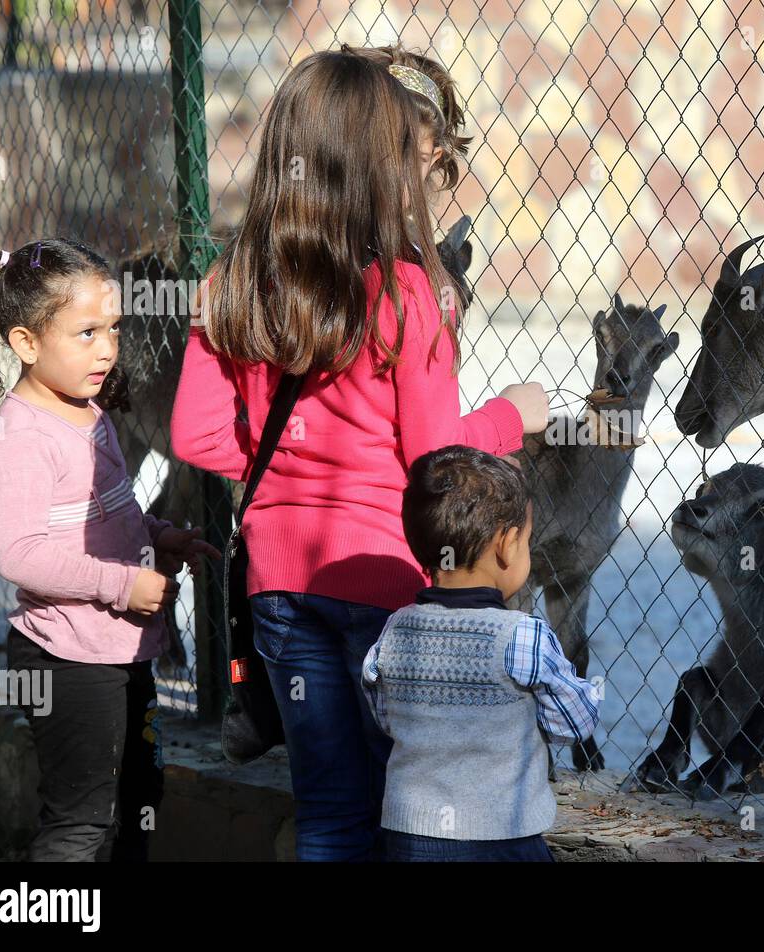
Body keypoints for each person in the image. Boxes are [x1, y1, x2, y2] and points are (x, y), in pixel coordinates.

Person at [170, 45, 549, 862]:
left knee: (330, 810)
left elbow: (196, 436)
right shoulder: (410, 294)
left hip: (278, 584)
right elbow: (435, 458)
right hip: (383, 578)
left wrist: (295, 467)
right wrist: (510, 419)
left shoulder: (231, 280)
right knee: (404, 800)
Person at [0, 237, 217, 861]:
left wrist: (160, 538)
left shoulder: (91, 412)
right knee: (82, 822)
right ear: (25, 343)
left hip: (122, 648)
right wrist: (121, 584)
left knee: (140, 802)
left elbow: (114, 516)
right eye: (86, 333)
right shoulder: (24, 438)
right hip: (68, 661)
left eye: (114, 329)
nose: (107, 348)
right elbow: (18, 554)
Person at [362, 444, 600, 862]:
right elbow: (572, 724)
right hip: (503, 836)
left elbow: (385, 715)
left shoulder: (395, 628)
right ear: (507, 545)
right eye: (526, 541)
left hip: (407, 836)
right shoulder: (521, 636)